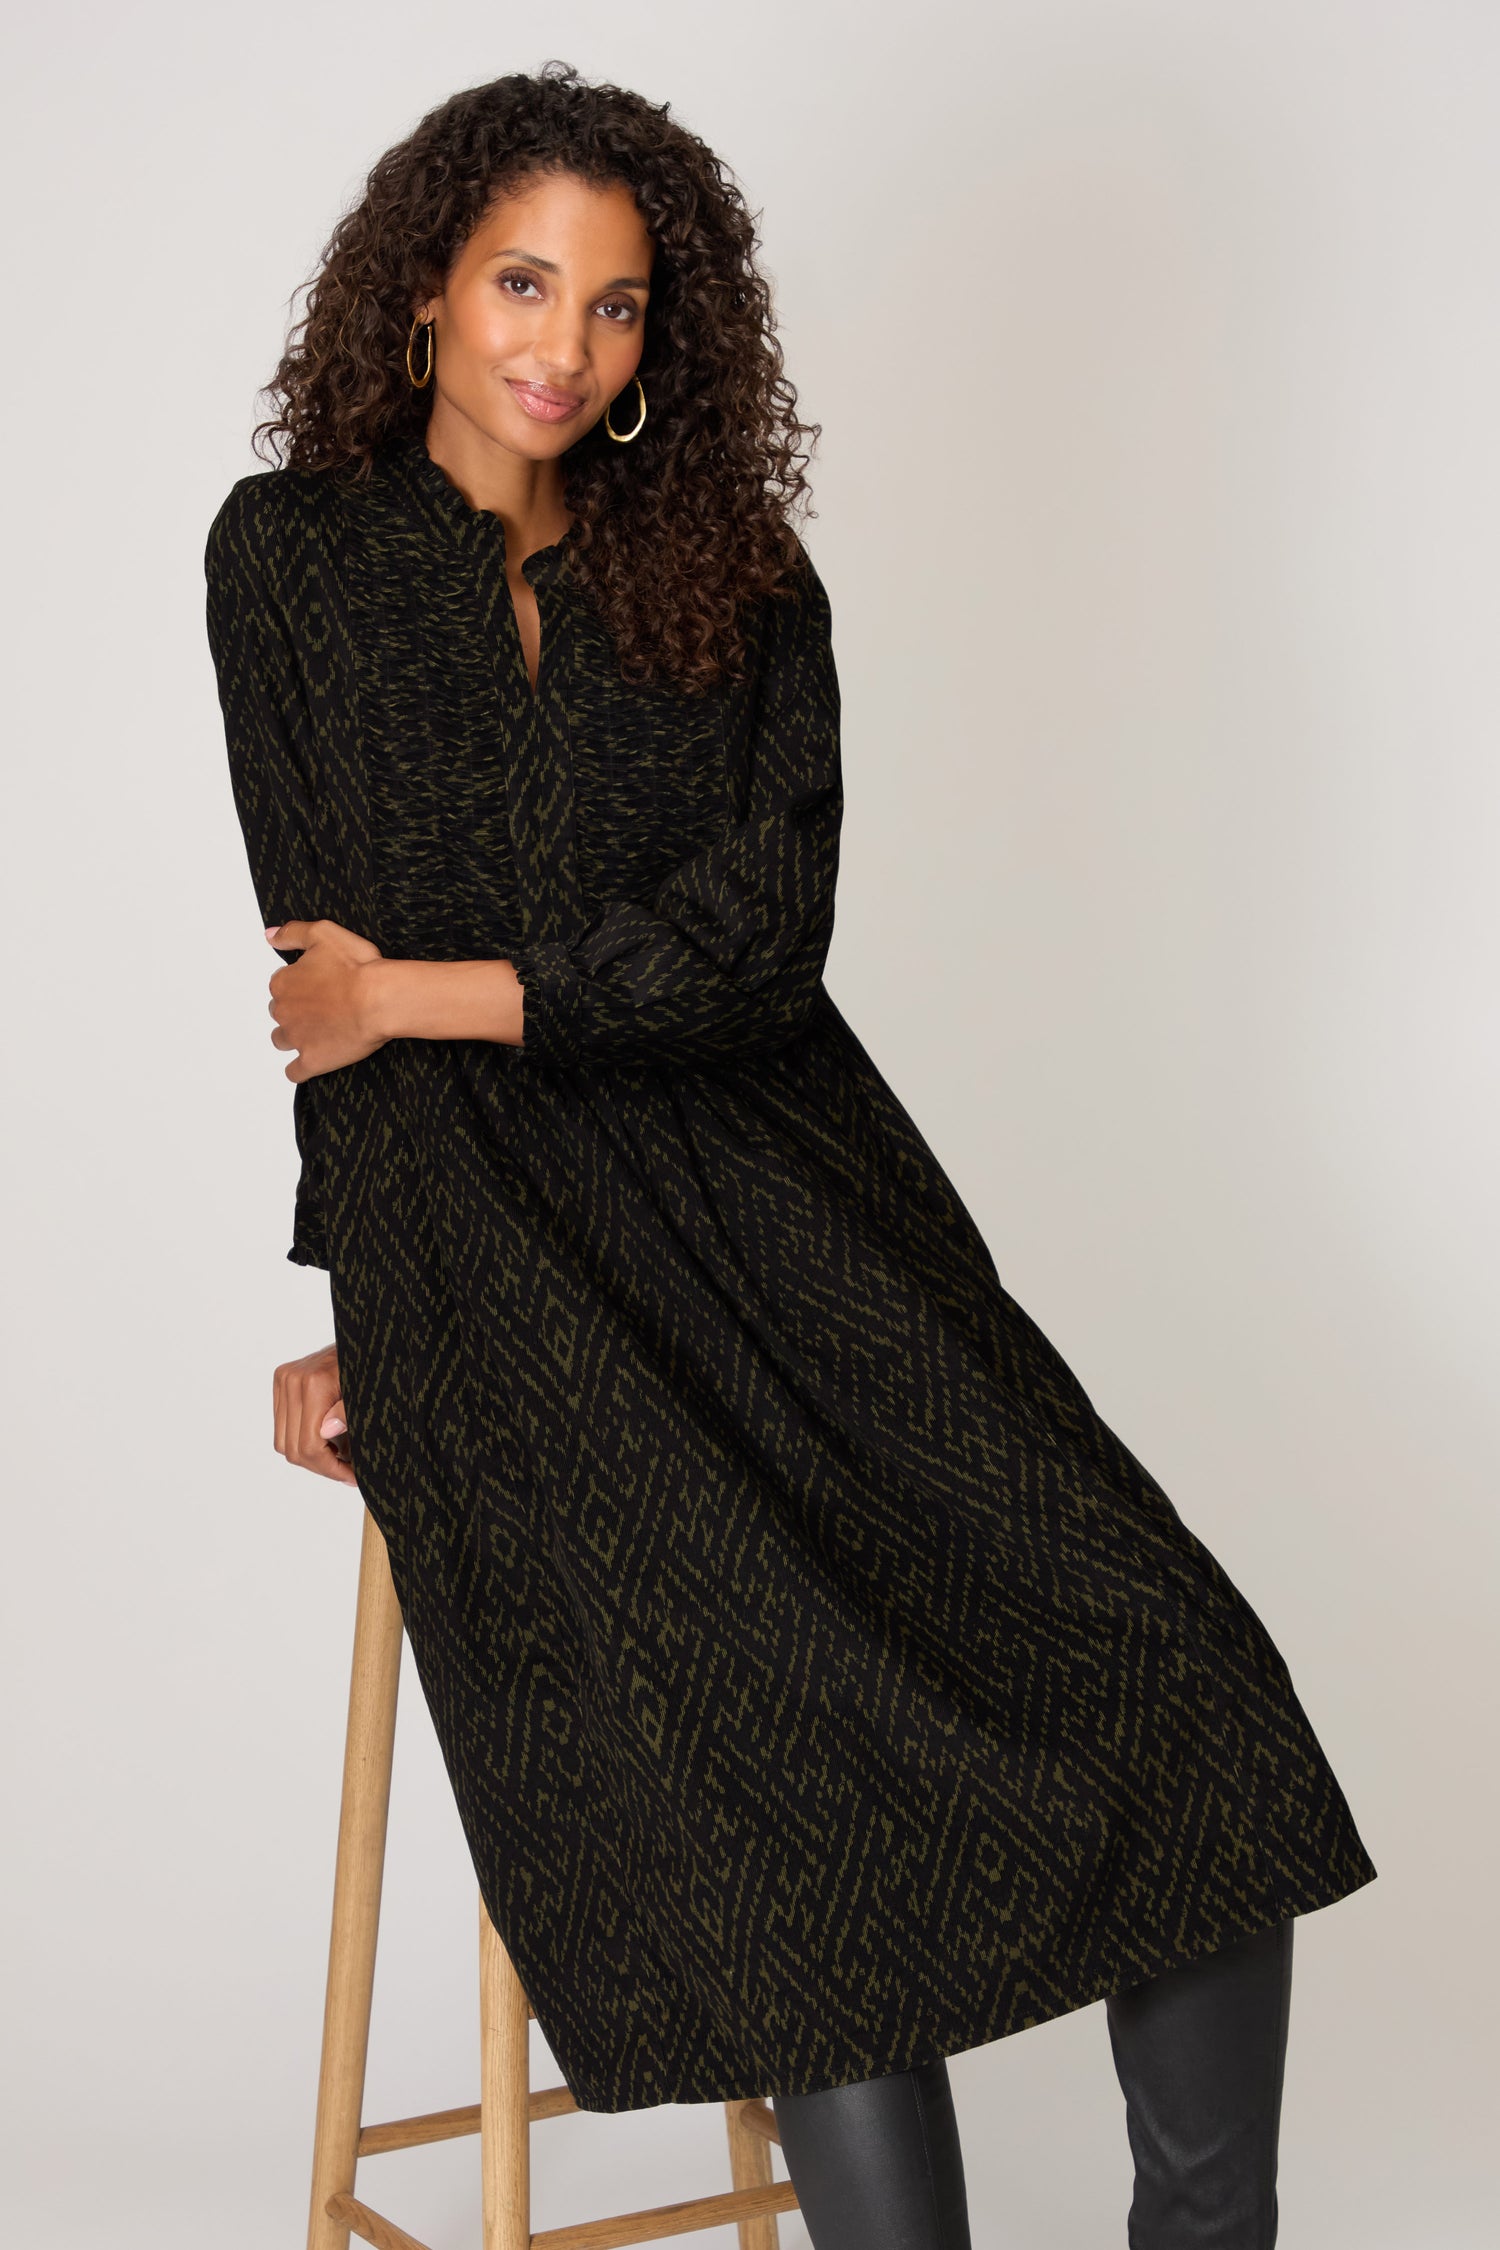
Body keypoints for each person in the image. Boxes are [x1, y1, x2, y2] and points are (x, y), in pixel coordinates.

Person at [204, 62, 1377, 2249]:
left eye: (617, 304)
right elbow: (323, 984)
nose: (565, 346)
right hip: (509, 1265)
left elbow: (752, 949)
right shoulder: (289, 561)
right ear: (426, 290)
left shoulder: (732, 576)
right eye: (524, 284)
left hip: (807, 1203)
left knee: (1190, 1692)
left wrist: (432, 989)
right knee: (787, 1777)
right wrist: (366, 1310)